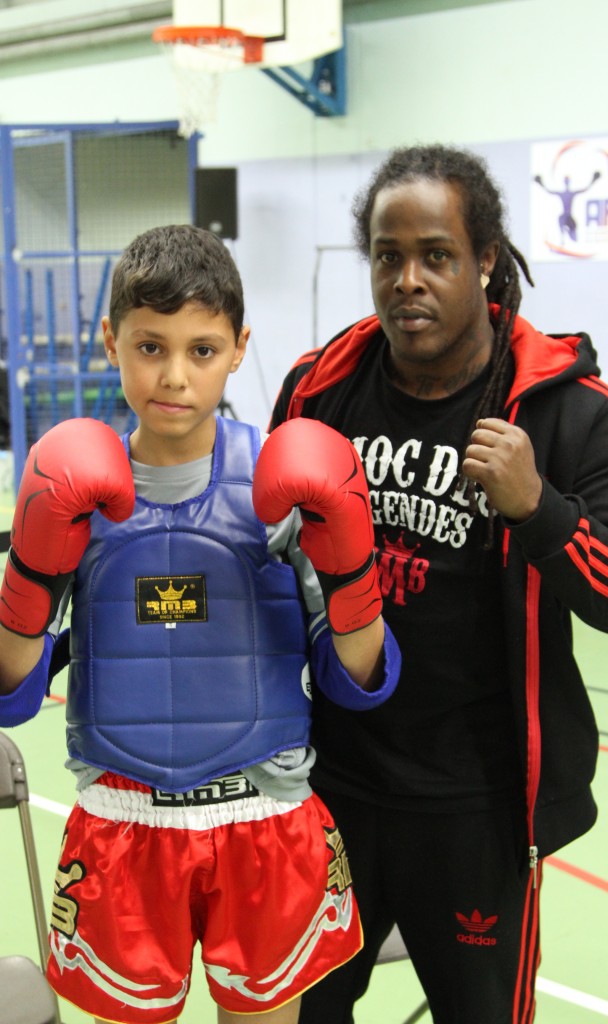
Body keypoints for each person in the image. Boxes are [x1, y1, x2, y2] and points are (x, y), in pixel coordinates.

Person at [269, 145, 608, 1024]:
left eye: (437, 256)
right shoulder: (320, 390)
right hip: (329, 788)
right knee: (302, 1013)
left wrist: (541, 510)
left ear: (486, 259)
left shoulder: (566, 409)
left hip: (478, 808)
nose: (408, 280)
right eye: (388, 256)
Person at [0, 224, 401, 1024]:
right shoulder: (68, 485)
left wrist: (353, 567)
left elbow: (357, 682)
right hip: (123, 820)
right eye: (150, 347)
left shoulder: (282, 483)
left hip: (265, 817)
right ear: (111, 339)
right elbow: (12, 691)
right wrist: (31, 573)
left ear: (240, 347)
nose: (174, 375)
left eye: (202, 350)